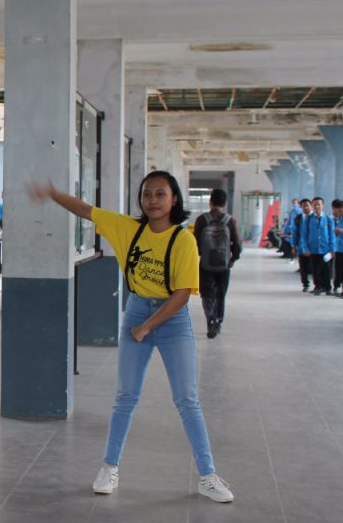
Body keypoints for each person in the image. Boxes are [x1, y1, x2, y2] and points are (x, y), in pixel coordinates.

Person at [28, 170, 233, 503]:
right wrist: (53, 194)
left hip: (171, 319)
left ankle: (208, 476)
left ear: (174, 199)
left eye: (160, 194)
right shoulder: (128, 229)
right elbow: (86, 210)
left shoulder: (183, 239)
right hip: (138, 310)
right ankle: (109, 468)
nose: (152, 200)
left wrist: (147, 327)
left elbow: (182, 294)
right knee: (126, 396)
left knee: (187, 399)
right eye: (147, 194)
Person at [193, 188, 241, 339]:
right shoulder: (230, 221)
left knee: (207, 294)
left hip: (206, 264)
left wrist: (202, 254)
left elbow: (194, 243)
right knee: (221, 294)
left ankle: (211, 320)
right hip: (224, 264)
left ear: (210, 202)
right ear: (225, 204)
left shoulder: (202, 220)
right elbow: (238, 243)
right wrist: (233, 259)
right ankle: (218, 321)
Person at [305, 197, 336, 296]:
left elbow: (332, 234)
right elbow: (304, 234)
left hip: (325, 249)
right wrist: (306, 248)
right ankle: (318, 286)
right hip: (313, 248)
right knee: (315, 269)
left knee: (326, 269)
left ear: (323, 206)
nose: (317, 206)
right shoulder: (308, 219)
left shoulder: (328, 219)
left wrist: (332, 249)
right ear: (312, 206)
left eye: (319, 204)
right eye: (315, 205)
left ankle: (327, 287)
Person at [293, 198, 313, 291]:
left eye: (307, 205)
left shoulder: (315, 217)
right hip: (302, 246)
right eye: (303, 206)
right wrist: (294, 245)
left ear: (311, 205)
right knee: (303, 266)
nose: (306, 208)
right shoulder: (298, 218)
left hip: (314, 246)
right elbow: (295, 232)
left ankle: (318, 285)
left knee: (315, 266)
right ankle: (305, 284)